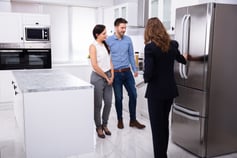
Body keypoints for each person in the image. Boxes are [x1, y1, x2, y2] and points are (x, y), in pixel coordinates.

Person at [143, 17, 187, 158]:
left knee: (157, 127)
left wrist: (145, 78)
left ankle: (159, 156)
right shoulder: (173, 45)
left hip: (155, 93)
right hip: (169, 91)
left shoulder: (150, 48)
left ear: (149, 30)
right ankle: (163, 154)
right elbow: (182, 60)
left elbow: (148, 73)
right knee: (164, 124)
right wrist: (185, 56)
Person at [106, 18, 145, 129]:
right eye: (122, 27)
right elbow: (105, 57)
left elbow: (131, 55)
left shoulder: (128, 39)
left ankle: (133, 120)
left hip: (127, 72)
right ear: (116, 27)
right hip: (116, 74)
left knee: (133, 95)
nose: (124, 30)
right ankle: (120, 119)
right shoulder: (108, 40)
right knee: (118, 98)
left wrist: (135, 69)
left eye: (125, 28)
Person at [89, 24, 114, 138]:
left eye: (106, 33)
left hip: (108, 75)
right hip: (98, 77)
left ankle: (105, 124)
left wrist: (112, 75)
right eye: (104, 33)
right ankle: (98, 127)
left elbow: (110, 61)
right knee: (98, 104)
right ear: (97, 34)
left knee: (108, 102)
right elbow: (94, 65)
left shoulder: (106, 45)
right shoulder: (93, 46)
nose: (106, 35)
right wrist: (106, 77)